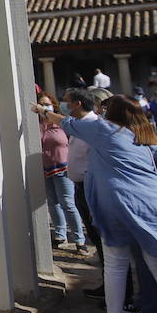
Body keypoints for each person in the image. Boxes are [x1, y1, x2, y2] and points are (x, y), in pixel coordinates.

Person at [37, 95, 157, 313]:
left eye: (104, 108)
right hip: (151, 205)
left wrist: (42, 111)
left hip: (118, 206)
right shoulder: (144, 133)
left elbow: (66, 122)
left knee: (115, 262)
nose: (100, 111)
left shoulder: (104, 129)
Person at [39, 94, 85, 251]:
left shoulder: (61, 123)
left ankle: (79, 240)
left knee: (68, 204)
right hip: (45, 168)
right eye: (41, 104)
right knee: (53, 204)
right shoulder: (37, 125)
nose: (44, 107)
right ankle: (60, 234)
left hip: (63, 167)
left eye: (47, 104)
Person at [61, 88, 99, 260]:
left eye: (67, 101)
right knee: (94, 234)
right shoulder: (79, 123)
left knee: (100, 236)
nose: (64, 104)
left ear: (77, 104)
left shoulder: (91, 126)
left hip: (91, 188)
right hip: (81, 186)